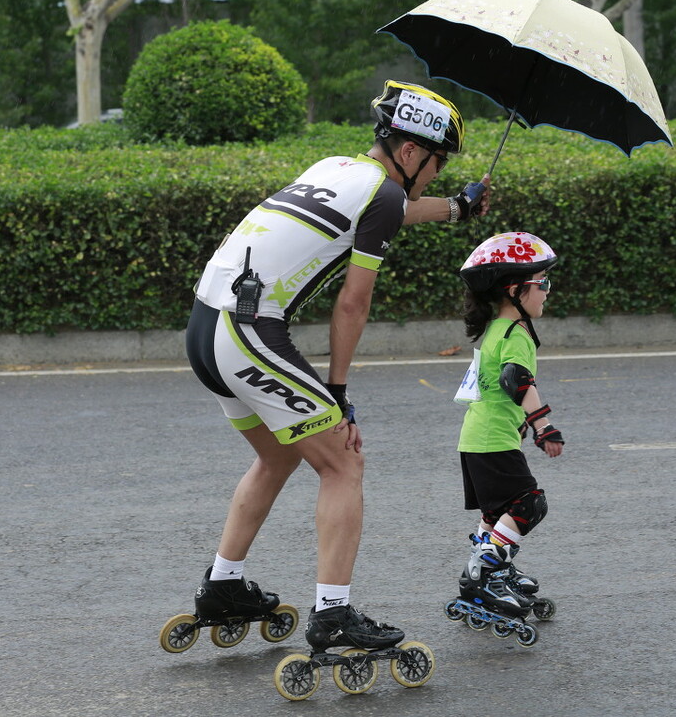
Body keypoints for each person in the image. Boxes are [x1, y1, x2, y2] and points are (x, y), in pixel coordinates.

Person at [183, 80, 488, 652]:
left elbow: (390, 212)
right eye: (438, 163)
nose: (438, 174)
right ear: (410, 151)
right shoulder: (385, 194)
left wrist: (458, 209)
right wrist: (338, 393)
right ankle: (333, 614)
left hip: (205, 328)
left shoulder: (337, 169)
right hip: (247, 331)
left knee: (279, 456)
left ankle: (223, 585)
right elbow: (353, 302)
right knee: (344, 462)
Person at [454, 231, 564, 619]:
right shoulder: (516, 333)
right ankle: (485, 575)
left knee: (495, 513)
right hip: (493, 439)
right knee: (529, 504)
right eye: (542, 283)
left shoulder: (495, 330)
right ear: (516, 290)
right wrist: (543, 426)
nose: (547, 292)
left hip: (477, 437)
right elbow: (516, 380)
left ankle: (485, 573)